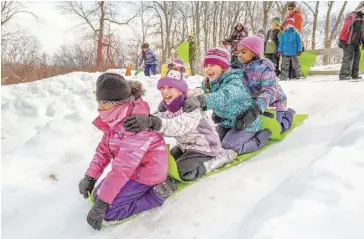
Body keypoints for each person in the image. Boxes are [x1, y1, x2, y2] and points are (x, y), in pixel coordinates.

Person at [78, 73, 168, 230]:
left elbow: (122, 168)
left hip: (147, 173)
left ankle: (156, 196)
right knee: (98, 195)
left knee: (109, 212)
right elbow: (104, 150)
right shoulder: (115, 118)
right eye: (99, 101)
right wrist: (90, 176)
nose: (99, 107)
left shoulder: (134, 126)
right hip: (133, 170)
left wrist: (102, 204)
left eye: (105, 102)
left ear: (119, 103)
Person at [123, 67, 236, 188]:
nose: (165, 92)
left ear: (181, 91)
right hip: (185, 146)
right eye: (163, 88)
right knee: (164, 164)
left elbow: (177, 126)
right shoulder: (168, 107)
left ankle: (217, 160)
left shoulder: (191, 107)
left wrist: (152, 122)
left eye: (170, 88)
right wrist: (140, 122)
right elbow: (157, 118)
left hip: (205, 148)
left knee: (181, 172)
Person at [183, 48, 271, 155]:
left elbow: (225, 95)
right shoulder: (209, 83)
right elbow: (202, 92)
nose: (208, 69)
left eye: (212, 65)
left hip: (246, 123)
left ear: (223, 66)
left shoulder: (235, 80)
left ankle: (261, 137)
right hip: (226, 122)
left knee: (229, 147)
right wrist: (186, 96)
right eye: (206, 66)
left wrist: (203, 100)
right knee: (210, 141)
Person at [236, 34, 296, 134]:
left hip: (274, 104)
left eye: (243, 52)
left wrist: (257, 107)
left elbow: (270, 91)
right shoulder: (240, 70)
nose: (239, 55)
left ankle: (288, 116)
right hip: (255, 106)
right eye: (238, 52)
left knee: (274, 130)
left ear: (254, 53)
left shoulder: (265, 68)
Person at [338, 2, 364, 80]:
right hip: (348, 41)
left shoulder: (362, 18)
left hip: (357, 42)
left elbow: (362, 31)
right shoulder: (353, 15)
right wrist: (342, 39)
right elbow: (345, 27)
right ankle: (344, 75)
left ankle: (354, 74)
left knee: (357, 57)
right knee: (348, 57)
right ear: (361, 7)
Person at [282, 1, 304, 79]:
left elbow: (297, 29)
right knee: (287, 62)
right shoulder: (289, 16)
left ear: (295, 8)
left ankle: (296, 75)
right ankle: (288, 76)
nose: (290, 10)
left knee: (295, 61)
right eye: (289, 8)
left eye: (292, 8)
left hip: (293, 40)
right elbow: (284, 26)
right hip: (287, 41)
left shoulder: (298, 15)